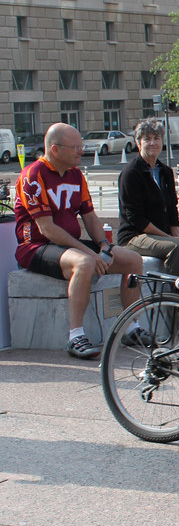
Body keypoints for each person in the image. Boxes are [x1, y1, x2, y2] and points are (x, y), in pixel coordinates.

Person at [14, 123, 148, 359]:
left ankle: (130, 327)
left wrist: (104, 245)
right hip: (36, 247)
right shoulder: (32, 176)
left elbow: (90, 217)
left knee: (133, 260)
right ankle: (75, 336)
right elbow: (47, 229)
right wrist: (91, 254)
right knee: (85, 263)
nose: (81, 151)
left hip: (67, 246)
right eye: (75, 147)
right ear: (55, 150)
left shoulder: (76, 175)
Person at [117, 119, 179, 275]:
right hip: (135, 236)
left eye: (156, 138)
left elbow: (171, 208)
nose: (152, 143)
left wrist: (176, 232)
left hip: (163, 233)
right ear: (138, 142)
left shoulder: (165, 171)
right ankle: (177, 297)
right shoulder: (131, 173)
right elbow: (136, 218)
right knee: (177, 247)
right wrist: (170, 238)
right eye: (147, 139)